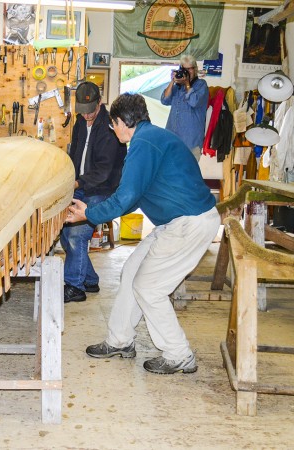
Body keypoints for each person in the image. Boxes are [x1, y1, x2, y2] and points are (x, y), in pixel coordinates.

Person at [66, 93, 219, 374]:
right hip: (175, 222)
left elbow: (127, 197)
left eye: (113, 125)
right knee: (131, 273)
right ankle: (120, 341)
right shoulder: (149, 139)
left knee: (149, 288)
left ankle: (178, 354)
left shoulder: (144, 143)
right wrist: (95, 211)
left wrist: (89, 214)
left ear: (123, 122)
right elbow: (135, 195)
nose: (113, 131)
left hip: (189, 223)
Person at [60, 81, 127, 304]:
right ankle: (89, 280)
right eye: (83, 112)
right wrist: (68, 178)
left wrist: (76, 184)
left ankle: (75, 287)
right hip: (82, 186)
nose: (87, 116)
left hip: (103, 189)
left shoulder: (110, 127)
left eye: (90, 112)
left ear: (100, 103)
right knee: (64, 230)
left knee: (77, 234)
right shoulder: (80, 122)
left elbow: (103, 171)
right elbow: (75, 153)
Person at [160, 54, 209, 161]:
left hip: (190, 142)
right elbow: (164, 100)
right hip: (172, 140)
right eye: (183, 69)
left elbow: (194, 101)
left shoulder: (201, 85)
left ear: (195, 69)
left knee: (187, 175)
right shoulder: (177, 87)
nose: (186, 72)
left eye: (189, 69)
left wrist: (187, 84)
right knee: (170, 174)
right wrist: (173, 81)